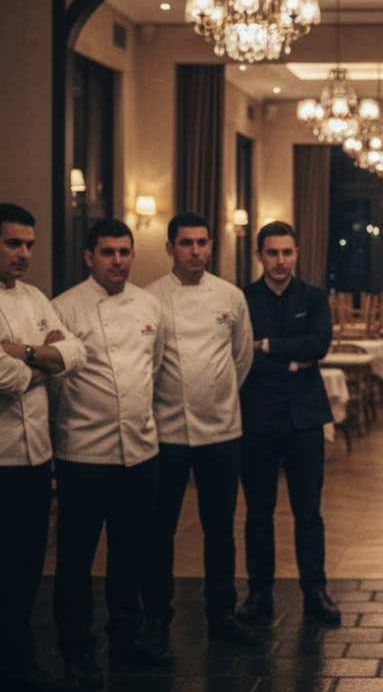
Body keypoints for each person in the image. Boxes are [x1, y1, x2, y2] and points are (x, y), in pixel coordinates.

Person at [50, 218, 167, 688]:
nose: (118, 260)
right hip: (84, 452)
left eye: (125, 252)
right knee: (77, 558)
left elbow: (151, 369)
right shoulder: (64, 308)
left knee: (131, 551)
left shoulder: (149, 306)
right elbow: (55, 384)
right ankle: (77, 648)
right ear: (89, 257)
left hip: (141, 450)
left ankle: (127, 634)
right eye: (108, 252)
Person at [142, 212, 256, 652]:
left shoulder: (231, 296)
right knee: (160, 529)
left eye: (203, 243)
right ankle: (157, 616)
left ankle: (221, 611)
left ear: (211, 246)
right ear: (170, 248)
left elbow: (241, 359)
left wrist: (219, 396)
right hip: (167, 431)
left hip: (222, 431)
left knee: (221, 528)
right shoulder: (150, 298)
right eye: (187, 243)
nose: (196, 251)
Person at [236, 221, 340, 625]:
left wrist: (268, 347)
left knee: (309, 512)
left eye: (287, 252)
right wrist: (290, 358)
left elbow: (320, 345)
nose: (280, 260)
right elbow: (243, 356)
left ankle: (315, 591)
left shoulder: (313, 297)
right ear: (260, 255)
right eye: (273, 252)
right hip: (256, 419)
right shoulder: (242, 299)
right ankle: (259, 594)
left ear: (296, 253)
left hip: (304, 420)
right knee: (258, 513)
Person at [0, 203, 86, 692]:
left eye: (29, 244)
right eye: (14, 243)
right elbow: (2, 377)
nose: (25, 253)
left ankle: (18, 662)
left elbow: (74, 353)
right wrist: (42, 363)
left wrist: (25, 354)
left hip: (36, 457)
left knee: (26, 569)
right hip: (1, 458)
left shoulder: (34, 297)